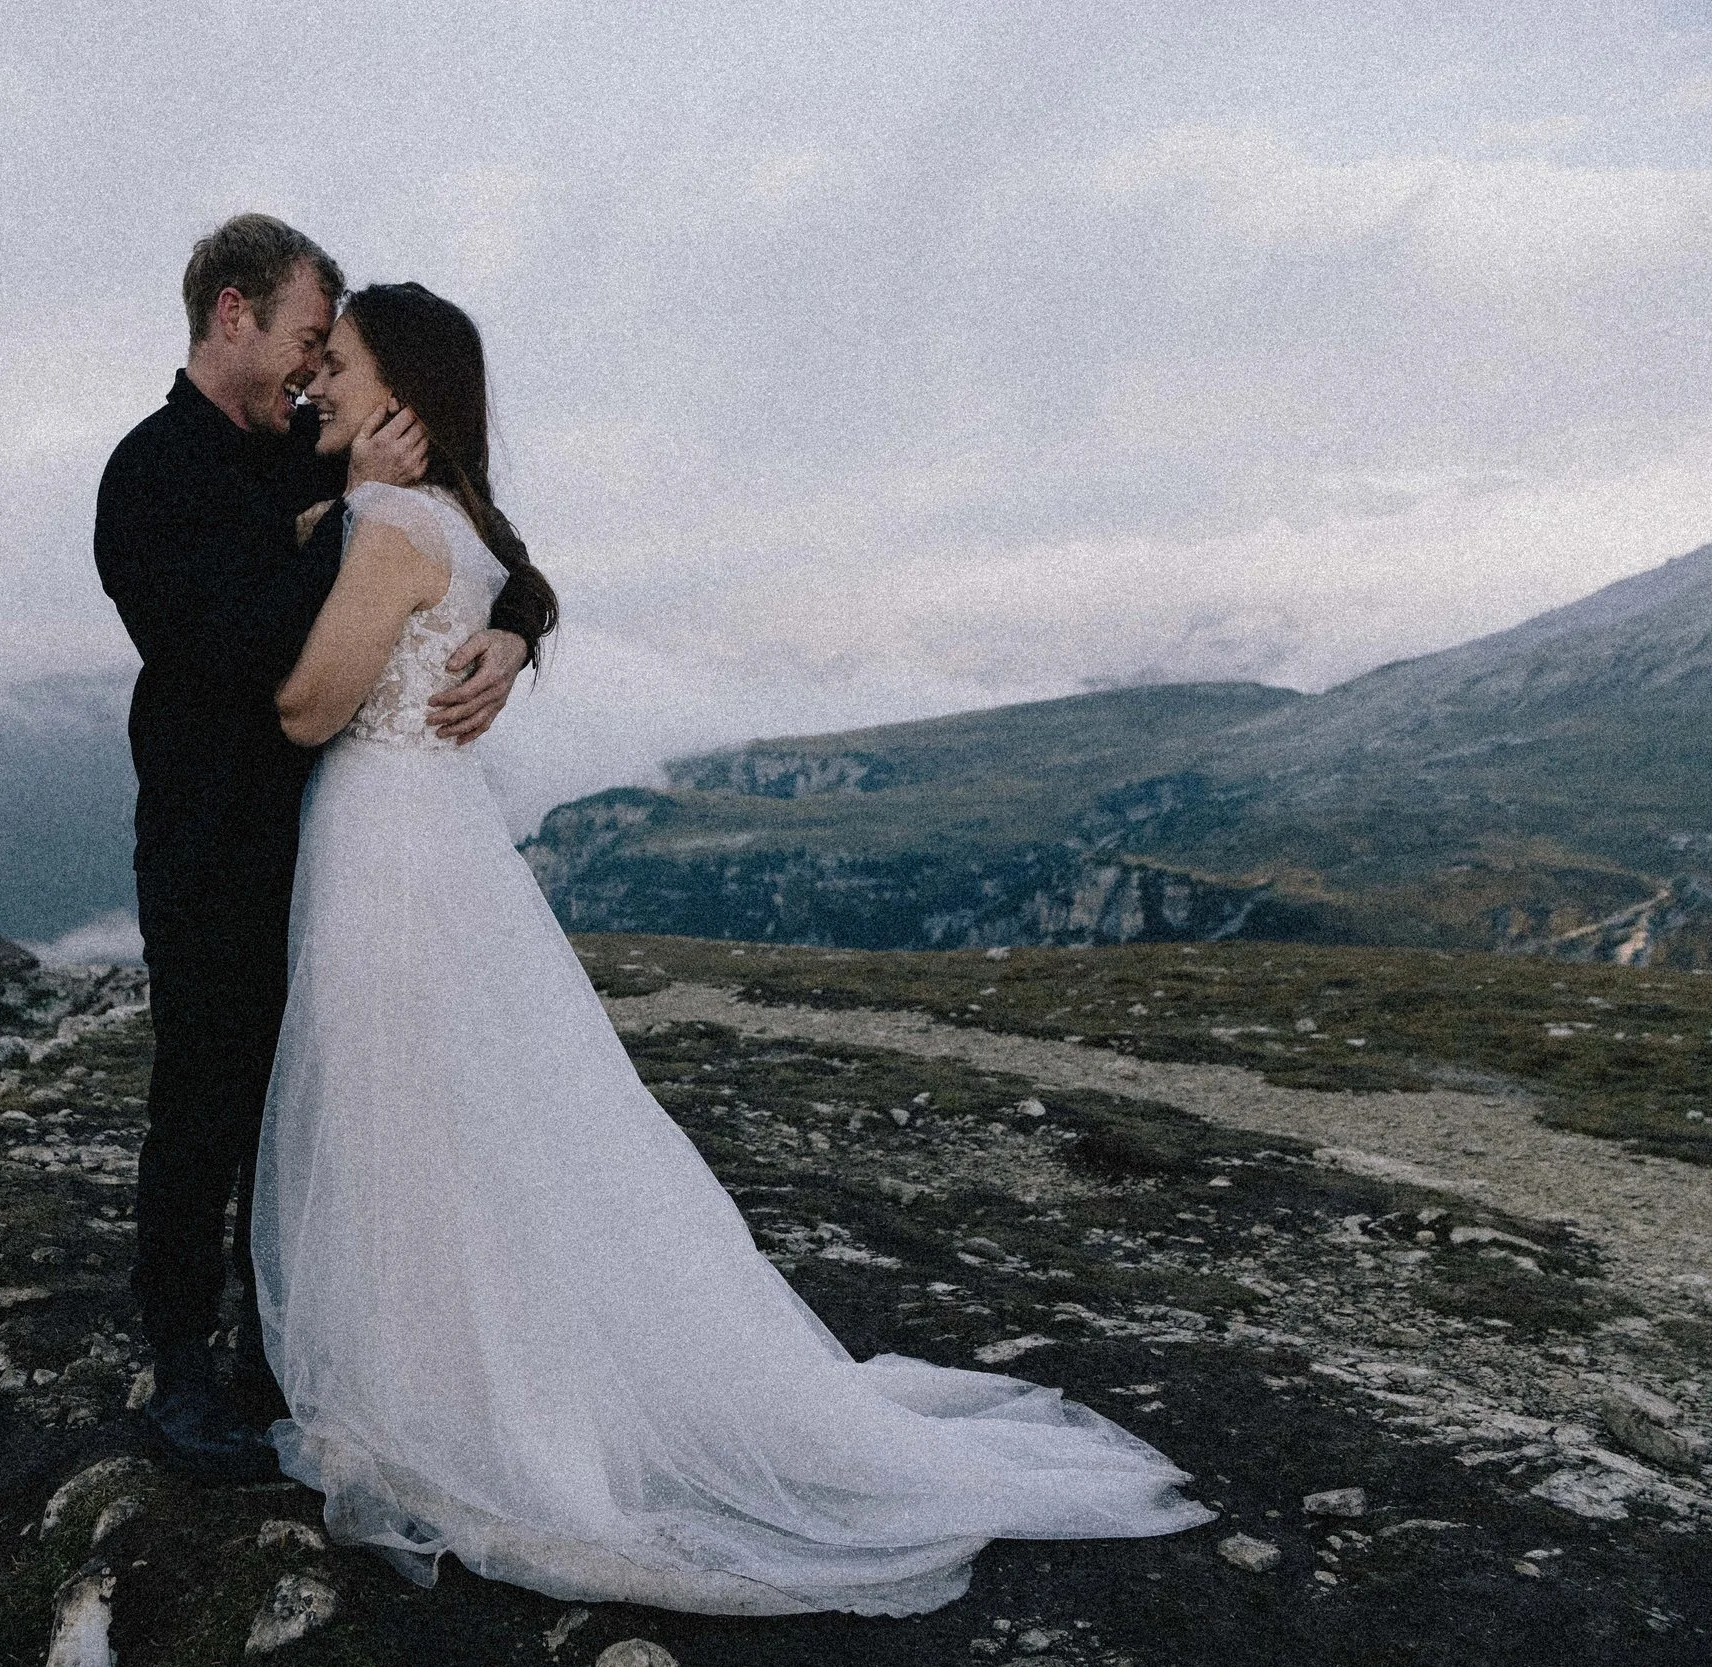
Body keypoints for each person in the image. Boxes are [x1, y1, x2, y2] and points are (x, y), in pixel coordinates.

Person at [253, 281, 1215, 1616]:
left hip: (389, 851)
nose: (323, 387)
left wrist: (334, 526)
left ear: (402, 395)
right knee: (453, 1121)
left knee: (404, 1117)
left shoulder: (390, 521)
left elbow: (307, 705)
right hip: (437, 844)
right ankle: (474, 1379)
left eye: (344, 366)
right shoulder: (458, 527)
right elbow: (474, 587)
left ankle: (456, 1406)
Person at [93, 217, 549, 1482]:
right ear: (232, 313)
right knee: (209, 1095)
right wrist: (346, 522)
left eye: (326, 355)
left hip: (345, 837)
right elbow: (244, 647)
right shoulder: (147, 476)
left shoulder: (321, 450)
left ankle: (288, 1340)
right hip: (214, 838)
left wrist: (511, 634)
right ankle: (182, 1355)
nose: (311, 371)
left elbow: (479, 547)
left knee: (332, 1095)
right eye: (304, 337)